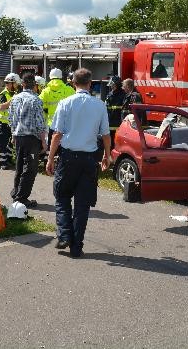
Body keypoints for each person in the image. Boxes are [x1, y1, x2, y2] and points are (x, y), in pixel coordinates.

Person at [46, 68, 111, 258]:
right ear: (90, 84)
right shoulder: (99, 105)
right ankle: (77, 247)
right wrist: (107, 156)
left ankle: (64, 234)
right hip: (89, 160)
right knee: (82, 205)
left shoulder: (65, 103)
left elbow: (57, 134)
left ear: (73, 83)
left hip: (68, 158)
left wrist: (50, 158)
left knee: (62, 196)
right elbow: (106, 135)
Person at [9, 73, 47, 208]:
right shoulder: (36, 100)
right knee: (30, 168)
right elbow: (40, 124)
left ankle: (16, 192)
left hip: (19, 137)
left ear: (22, 84)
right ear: (35, 86)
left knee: (19, 166)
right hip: (31, 138)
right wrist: (44, 141)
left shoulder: (15, 98)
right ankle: (21, 198)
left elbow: (11, 119)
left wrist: (13, 135)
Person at [39, 68, 75, 148]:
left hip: (51, 125)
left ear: (50, 77)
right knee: (64, 148)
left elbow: (39, 105)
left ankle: (50, 159)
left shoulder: (45, 91)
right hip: (66, 125)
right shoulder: (69, 90)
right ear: (61, 77)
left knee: (52, 148)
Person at [0, 73, 21, 170]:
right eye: (15, 83)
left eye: (16, 83)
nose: (16, 85)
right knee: (3, 142)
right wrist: (13, 99)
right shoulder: (3, 94)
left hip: (13, 123)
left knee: (11, 142)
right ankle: (2, 162)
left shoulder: (16, 93)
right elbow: (1, 107)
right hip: (3, 122)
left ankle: (9, 158)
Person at [104, 75, 126, 140]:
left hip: (118, 121)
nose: (111, 86)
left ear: (117, 85)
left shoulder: (123, 94)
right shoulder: (110, 94)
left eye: (112, 84)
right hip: (110, 120)